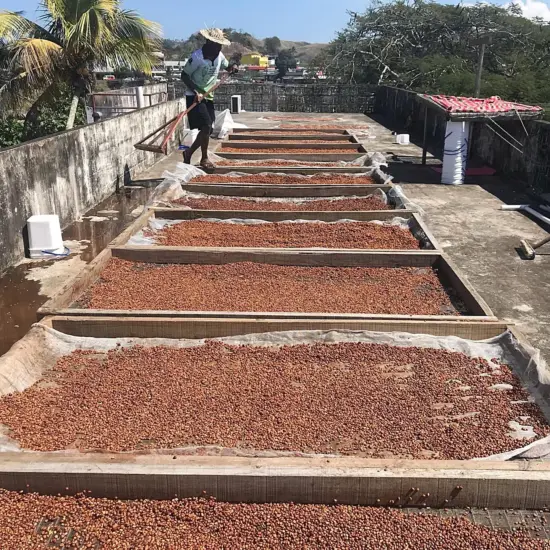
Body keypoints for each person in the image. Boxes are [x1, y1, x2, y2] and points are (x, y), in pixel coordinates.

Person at [181, 28, 238, 170]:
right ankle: (204, 158)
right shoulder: (197, 57)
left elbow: (228, 65)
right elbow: (184, 75)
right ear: (209, 43)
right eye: (216, 44)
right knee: (206, 125)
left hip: (208, 96)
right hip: (195, 96)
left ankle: (188, 152)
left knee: (209, 128)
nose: (219, 48)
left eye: (220, 45)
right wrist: (196, 91)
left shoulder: (219, 56)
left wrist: (234, 67)